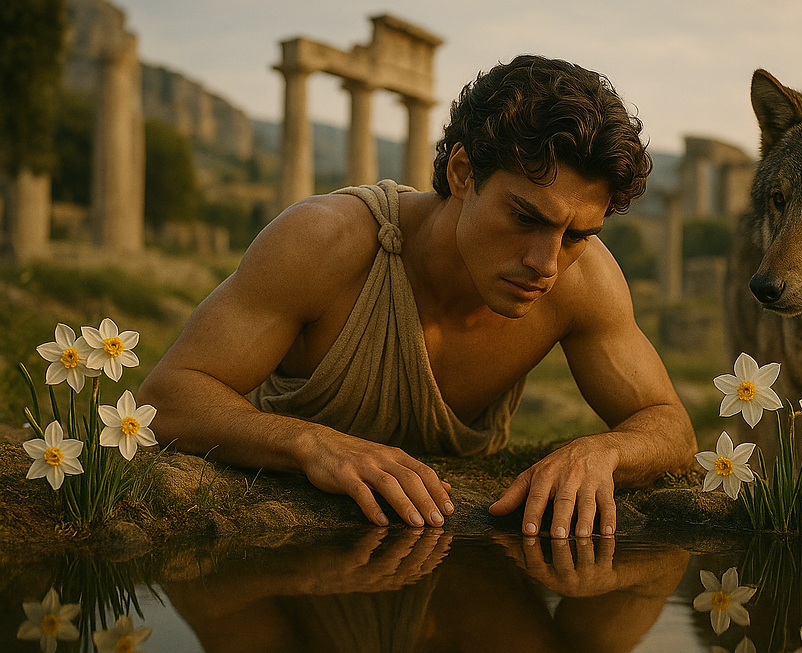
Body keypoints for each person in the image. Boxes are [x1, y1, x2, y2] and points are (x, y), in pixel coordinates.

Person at [139, 54, 696, 539]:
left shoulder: (586, 280)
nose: (546, 263)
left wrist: (602, 452)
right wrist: (311, 445)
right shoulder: (325, 241)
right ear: (461, 171)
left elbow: (669, 425)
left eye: (576, 235)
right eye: (525, 216)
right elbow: (169, 398)